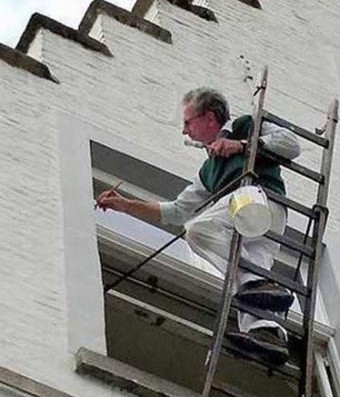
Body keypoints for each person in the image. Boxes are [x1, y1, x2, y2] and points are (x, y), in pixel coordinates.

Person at [96, 88, 300, 365]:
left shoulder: (247, 124)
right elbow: (177, 211)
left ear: (210, 118)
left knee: (198, 231)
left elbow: (291, 144)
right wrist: (127, 205)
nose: (185, 131)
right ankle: (268, 333)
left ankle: (259, 284)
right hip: (247, 222)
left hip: (262, 202)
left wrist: (242, 145)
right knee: (249, 277)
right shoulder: (209, 171)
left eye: (188, 122)